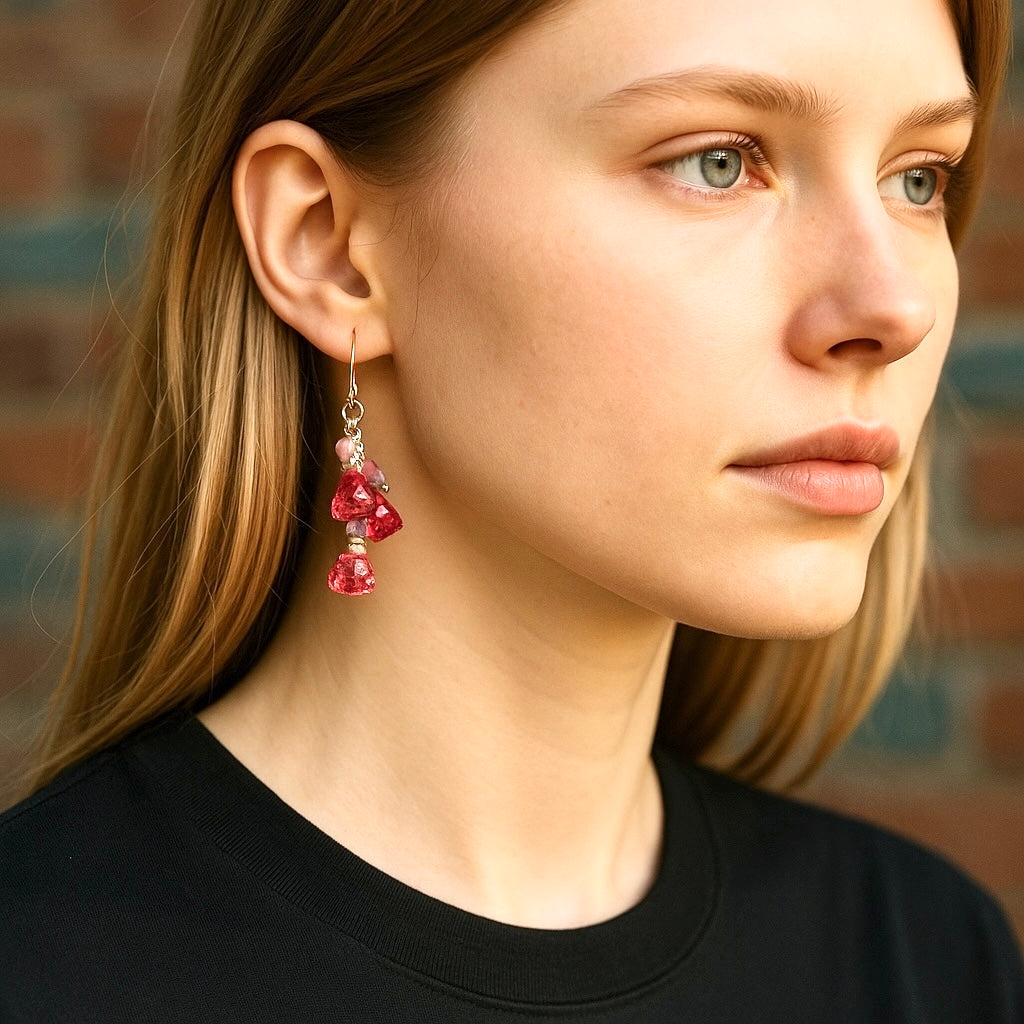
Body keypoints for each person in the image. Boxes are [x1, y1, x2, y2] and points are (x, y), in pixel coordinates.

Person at [2, 0, 1022, 1019]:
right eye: (716, 160)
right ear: (328, 245)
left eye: (917, 178)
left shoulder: (927, 962)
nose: (894, 306)